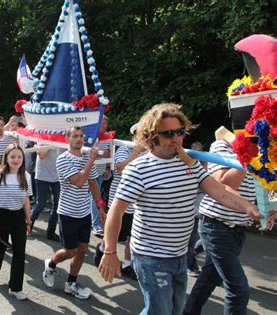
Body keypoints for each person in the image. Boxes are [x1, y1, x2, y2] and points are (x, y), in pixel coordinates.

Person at [99, 103, 260, 315]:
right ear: (152, 137)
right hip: (150, 257)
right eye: (168, 134)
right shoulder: (138, 169)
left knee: (173, 311)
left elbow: (219, 190)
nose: (176, 138)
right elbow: (116, 211)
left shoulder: (189, 164)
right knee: (161, 311)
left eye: (180, 132)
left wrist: (249, 208)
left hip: (179, 255)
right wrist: (110, 251)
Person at [184, 138, 257, 314]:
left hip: (238, 228)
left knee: (209, 279)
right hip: (215, 226)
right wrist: (248, 154)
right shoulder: (222, 145)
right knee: (239, 290)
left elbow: (262, 186)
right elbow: (224, 184)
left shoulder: (264, 148)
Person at [42, 126, 106, 300]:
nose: (79, 139)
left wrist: (100, 206)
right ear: (67, 139)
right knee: (70, 251)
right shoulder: (63, 159)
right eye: (75, 136)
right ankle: (51, 263)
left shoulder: (86, 158)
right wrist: (91, 160)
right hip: (68, 213)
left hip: (84, 212)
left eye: (81, 136)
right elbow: (79, 181)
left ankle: (71, 283)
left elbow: (92, 183)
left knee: (83, 249)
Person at [94, 122, 145, 281]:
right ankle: (102, 249)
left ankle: (127, 264)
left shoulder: (149, 153)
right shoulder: (124, 148)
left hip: (137, 203)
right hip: (120, 201)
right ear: (134, 135)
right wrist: (136, 152)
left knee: (132, 236)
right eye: (140, 135)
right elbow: (121, 168)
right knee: (115, 234)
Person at [0, 143, 33, 301]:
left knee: (19, 252)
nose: (16, 159)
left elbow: (26, 199)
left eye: (19, 157)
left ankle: (16, 287)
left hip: (18, 216)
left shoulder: (25, 176)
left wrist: (28, 220)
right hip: (1, 216)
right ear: (6, 158)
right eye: (12, 156)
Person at [30, 145, 62, 241]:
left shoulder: (65, 134)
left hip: (58, 176)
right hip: (42, 175)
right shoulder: (45, 133)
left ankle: (51, 232)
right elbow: (41, 155)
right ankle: (28, 225)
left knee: (57, 205)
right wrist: (50, 141)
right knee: (41, 203)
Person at [186, 141, 207, 277]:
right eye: (193, 149)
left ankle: (190, 262)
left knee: (197, 239)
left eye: (198, 150)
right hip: (191, 209)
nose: (195, 152)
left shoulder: (204, 164)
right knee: (191, 240)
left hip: (201, 208)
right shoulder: (187, 165)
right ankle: (189, 265)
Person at [91, 115, 111, 236]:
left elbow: (109, 152)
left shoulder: (107, 135)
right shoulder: (93, 136)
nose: (104, 125)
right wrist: (104, 153)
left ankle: (94, 222)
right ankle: (96, 224)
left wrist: (108, 167)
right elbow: (91, 152)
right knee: (95, 199)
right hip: (92, 171)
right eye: (102, 123)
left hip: (101, 170)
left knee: (96, 199)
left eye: (105, 123)